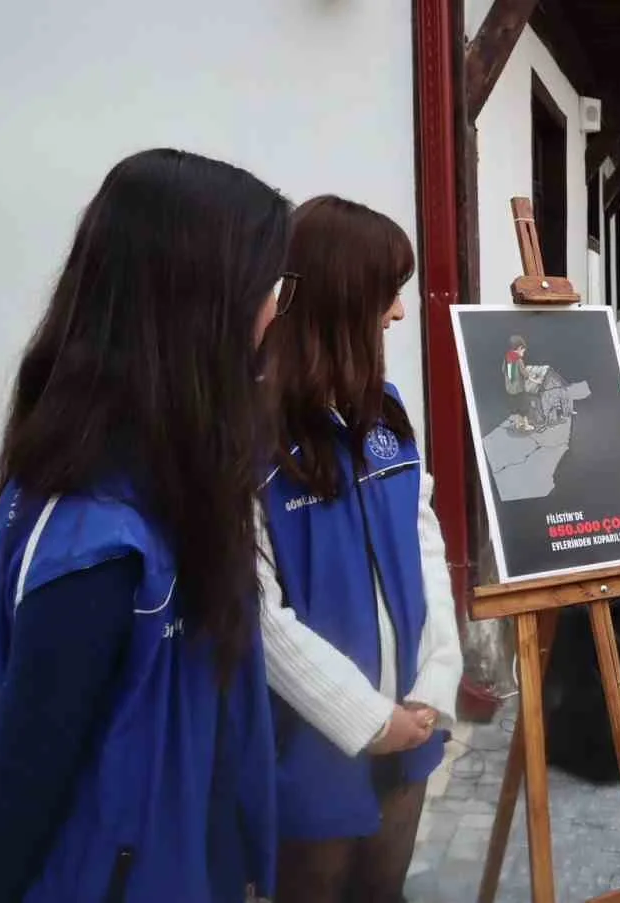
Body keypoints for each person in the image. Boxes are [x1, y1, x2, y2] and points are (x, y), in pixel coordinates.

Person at [0, 149, 292, 902]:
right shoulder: (96, 543)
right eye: (266, 287)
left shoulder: (163, 483)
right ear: (197, 308)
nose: (276, 309)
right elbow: (21, 798)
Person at [257, 195, 462, 903]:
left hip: (412, 722)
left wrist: (435, 684)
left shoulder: (389, 411)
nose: (399, 312)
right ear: (342, 298)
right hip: (316, 739)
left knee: (384, 893)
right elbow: (258, 612)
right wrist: (369, 720)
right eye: (388, 291)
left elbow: (425, 543)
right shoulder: (252, 436)